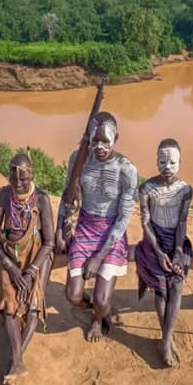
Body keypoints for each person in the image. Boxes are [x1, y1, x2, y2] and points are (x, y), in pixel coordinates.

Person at [58, 112, 138, 342]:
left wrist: (98, 257)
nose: (100, 146)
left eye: (106, 141)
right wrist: (60, 231)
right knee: (73, 295)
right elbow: (67, 196)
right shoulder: (79, 159)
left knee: (103, 300)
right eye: (95, 140)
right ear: (89, 139)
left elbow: (123, 218)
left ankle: (99, 316)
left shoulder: (127, 169)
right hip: (85, 228)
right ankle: (97, 308)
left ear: (117, 138)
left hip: (112, 232)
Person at [0, 153, 54, 385]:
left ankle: (15, 362)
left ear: (32, 175)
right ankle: (17, 362)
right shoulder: (3, 196)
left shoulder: (42, 200)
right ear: (9, 177)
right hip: (10, 258)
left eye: (23, 180)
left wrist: (30, 272)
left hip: (37, 258)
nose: (19, 184)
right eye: (14, 179)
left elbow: (49, 243)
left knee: (34, 306)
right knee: (10, 308)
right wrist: (10, 266)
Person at [134, 138, 193, 367]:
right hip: (153, 241)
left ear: (179, 163)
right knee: (161, 289)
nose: (167, 167)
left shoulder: (185, 190)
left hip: (176, 241)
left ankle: (166, 339)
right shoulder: (147, 188)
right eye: (162, 161)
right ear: (156, 161)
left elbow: (181, 222)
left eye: (172, 162)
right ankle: (166, 340)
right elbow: (145, 223)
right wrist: (158, 252)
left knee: (176, 286)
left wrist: (178, 251)